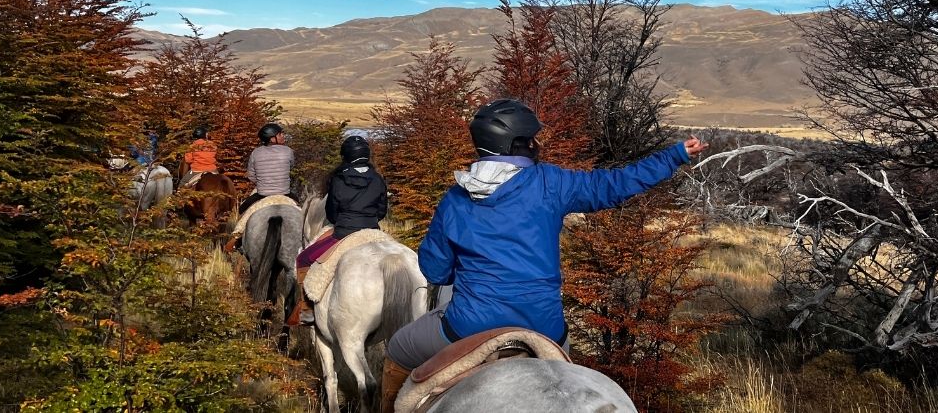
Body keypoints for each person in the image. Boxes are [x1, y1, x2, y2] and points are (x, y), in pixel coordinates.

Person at [378, 99, 708, 413]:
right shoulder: (550, 182)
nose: (536, 144)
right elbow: (613, 185)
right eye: (532, 139)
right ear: (519, 143)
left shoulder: (456, 198)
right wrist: (674, 156)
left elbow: (435, 271)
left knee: (398, 351)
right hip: (545, 327)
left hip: (469, 326)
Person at [287, 135, 389, 326]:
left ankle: (307, 310)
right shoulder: (377, 179)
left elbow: (332, 213)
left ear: (346, 156)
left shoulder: (338, 179)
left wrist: (343, 221)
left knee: (304, 258)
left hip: (344, 232)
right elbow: (382, 211)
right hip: (373, 230)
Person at [238, 123, 295, 216]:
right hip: (284, 193)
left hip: (262, 194)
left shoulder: (255, 152)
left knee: (241, 210)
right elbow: (291, 167)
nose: (283, 136)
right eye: (280, 134)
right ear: (272, 138)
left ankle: (238, 230)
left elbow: (250, 175)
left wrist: (263, 182)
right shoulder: (288, 151)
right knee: (299, 207)